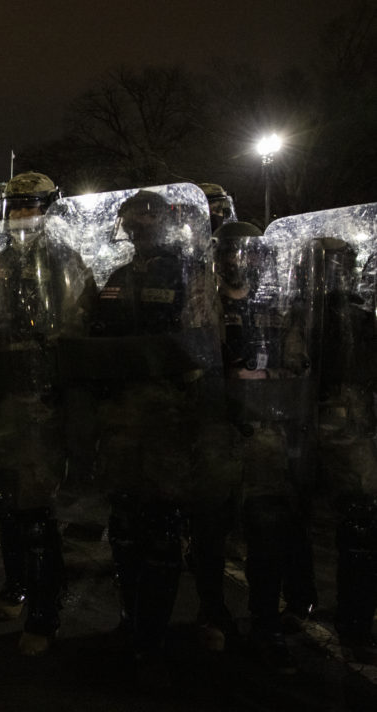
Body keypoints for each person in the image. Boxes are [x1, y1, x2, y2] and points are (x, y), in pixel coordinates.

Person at [79, 187, 221, 676]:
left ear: (163, 222)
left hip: (167, 418)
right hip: (122, 416)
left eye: (146, 220)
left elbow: (201, 346)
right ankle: (130, 617)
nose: (138, 229)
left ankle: (152, 633)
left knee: (161, 524)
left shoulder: (188, 273)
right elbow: (96, 339)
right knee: (125, 521)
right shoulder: (117, 277)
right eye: (131, 221)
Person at [0, 172, 95, 655]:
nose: (22, 215)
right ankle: (18, 585)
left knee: (37, 510)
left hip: (42, 402)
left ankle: (45, 610)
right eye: (15, 206)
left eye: (31, 206)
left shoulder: (64, 262)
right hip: (3, 402)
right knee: (8, 504)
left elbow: (73, 332)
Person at [214, 220, 312, 673]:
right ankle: (211, 616)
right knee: (210, 532)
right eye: (228, 251)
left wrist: (264, 378)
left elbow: (298, 364)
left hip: (262, 434)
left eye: (244, 252)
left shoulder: (274, 305)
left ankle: (265, 623)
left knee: (267, 530)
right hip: (212, 431)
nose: (236, 260)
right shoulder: (202, 301)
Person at [309, 216, 377, 665]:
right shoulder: (309, 313)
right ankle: (330, 614)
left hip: (347, 423)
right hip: (319, 421)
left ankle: (349, 620)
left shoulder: (354, 316)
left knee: (354, 523)